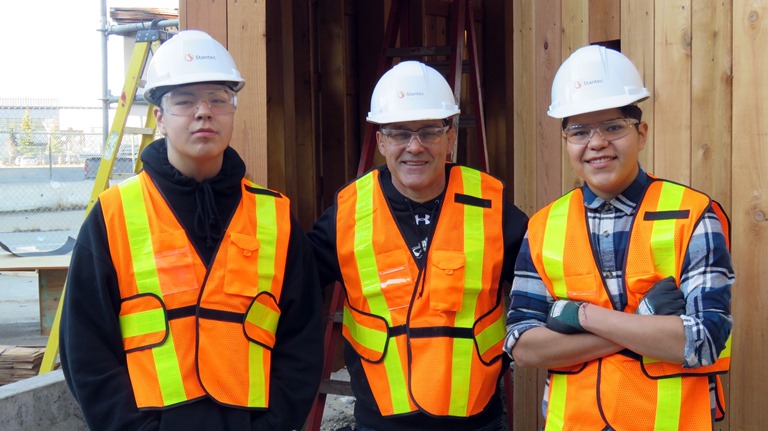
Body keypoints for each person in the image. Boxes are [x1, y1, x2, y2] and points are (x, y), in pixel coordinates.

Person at [59, 30, 323, 431]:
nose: (204, 112)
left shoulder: (275, 216)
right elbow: (85, 346)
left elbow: (300, 337)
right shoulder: (114, 215)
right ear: (159, 117)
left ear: (233, 110)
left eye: (219, 99)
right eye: (185, 101)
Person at [504, 45, 734, 430]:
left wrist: (581, 316)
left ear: (640, 133)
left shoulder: (692, 214)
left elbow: (704, 339)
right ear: (566, 141)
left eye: (613, 127)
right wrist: (644, 323)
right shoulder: (544, 225)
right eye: (579, 131)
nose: (596, 143)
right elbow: (522, 346)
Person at [308, 61, 529, 431]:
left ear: (451, 136)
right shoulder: (348, 213)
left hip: (476, 422)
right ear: (380, 140)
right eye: (398, 133)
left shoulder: (493, 209)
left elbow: (545, 289)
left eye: (429, 131)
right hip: (380, 422)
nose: (415, 146)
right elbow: (291, 292)